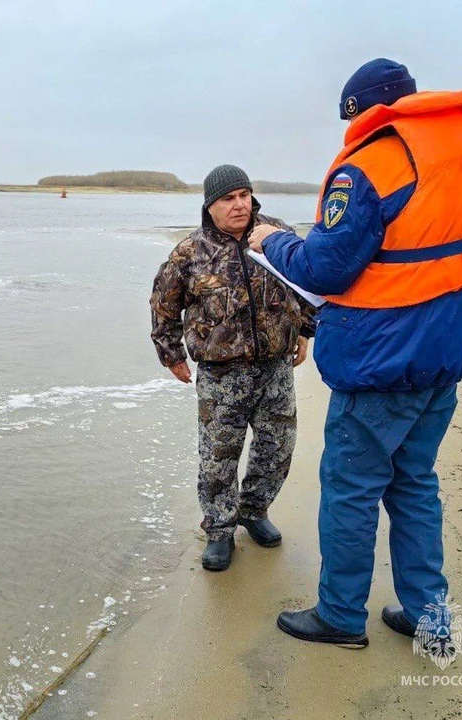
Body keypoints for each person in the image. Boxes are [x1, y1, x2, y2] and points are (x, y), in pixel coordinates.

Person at [248, 59, 462, 648]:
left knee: (350, 486)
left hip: (383, 358)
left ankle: (338, 614)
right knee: (414, 483)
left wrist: (270, 240)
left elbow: (325, 268)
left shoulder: (372, 163)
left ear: (360, 111)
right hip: (449, 347)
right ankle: (429, 617)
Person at [150, 164, 314, 572]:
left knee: (277, 448)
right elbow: (163, 307)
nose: (239, 204)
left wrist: (306, 331)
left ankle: (254, 511)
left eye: (244, 195)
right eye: (228, 198)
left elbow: (307, 283)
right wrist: (170, 354)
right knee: (218, 455)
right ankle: (220, 530)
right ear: (210, 206)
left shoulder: (276, 235)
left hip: (275, 367)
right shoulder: (189, 253)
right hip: (221, 375)